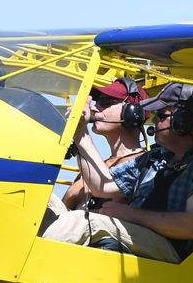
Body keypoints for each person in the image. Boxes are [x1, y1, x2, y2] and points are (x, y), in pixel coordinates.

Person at [42, 83, 193, 263]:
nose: (154, 121)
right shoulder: (156, 157)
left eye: (160, 116)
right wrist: (80, 133)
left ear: (183, 121)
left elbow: (192, 226)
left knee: (82, 221)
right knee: (44, 201)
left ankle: (28, 258)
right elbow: (102, 185)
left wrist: (130, 215)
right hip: (139, 236)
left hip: (171, 254)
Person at [54, 78, 149, 211]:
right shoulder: (92, 165)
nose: (93, 108)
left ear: (132, 112)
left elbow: (116, 218)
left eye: (104, 102)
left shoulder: (144, 166)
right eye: (95, 102)